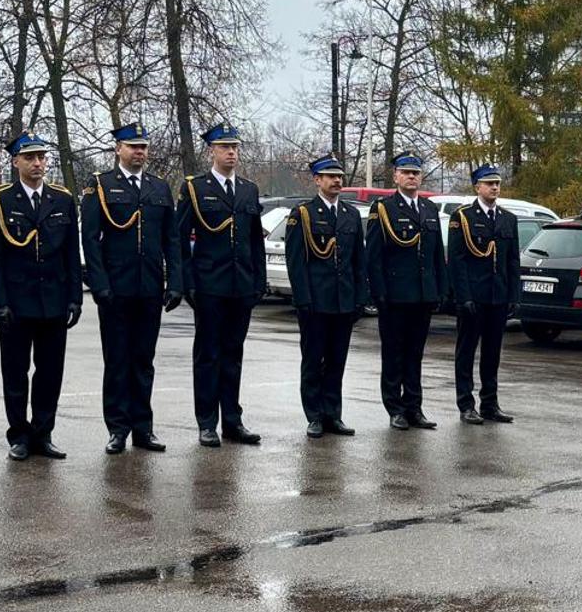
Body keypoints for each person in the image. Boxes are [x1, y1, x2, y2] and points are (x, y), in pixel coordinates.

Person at [82, 122, 182, 454]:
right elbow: (90, 241)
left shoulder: (159, 188)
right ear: (118, 150)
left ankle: (143, 427)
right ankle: (117, 428)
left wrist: (175, 281)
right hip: (116, 288)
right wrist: (99, 284)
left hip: (149, 287)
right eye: (132, 146)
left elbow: (171, 239)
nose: (139, 152)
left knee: (143, 359)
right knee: (117, 360)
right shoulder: (101, 186)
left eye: (143, 147)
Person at [0, 132, 82, 462]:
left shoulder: (62, 199)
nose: (37, 163)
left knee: (50, 372)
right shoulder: (0, 200)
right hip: (17, 301)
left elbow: (70, 253)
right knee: (15, 372)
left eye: (41, 157)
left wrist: (74, 298)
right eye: (30, 158)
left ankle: (43, 432)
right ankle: (19, 435)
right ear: (16, 162)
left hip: (53, 300)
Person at [179, 123, 267, 447]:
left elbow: (255, 240)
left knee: (233, 354)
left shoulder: (248, 190)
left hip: (240, 285)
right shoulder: (195, 189)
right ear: (211, 151)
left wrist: (259, 280)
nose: (232, 152)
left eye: (235, 147)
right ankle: (206, 422)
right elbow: (180, 240)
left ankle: (232, 420)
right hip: (209, 285)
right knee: (208, 355)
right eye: (225, 147)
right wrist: (187, 283)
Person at [286, 155, 368, 438]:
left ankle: (333, 414)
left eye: (339, 176)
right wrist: (303, 299)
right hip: (316, 301)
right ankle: (314, 415)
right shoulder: (304, 214)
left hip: (343, 300)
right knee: (313, 360)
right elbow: (296, 262)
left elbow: (358, 260)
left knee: (336, 361)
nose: (336, 181)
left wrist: (360, 297)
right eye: (330, 176)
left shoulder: (350, 215)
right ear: (317, 180)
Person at [367, 153, 446, 431]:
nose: (411, 177)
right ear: (396, 177)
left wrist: (439, 290)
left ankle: (414, 407)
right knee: (394, 354)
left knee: (415, 354)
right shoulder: (384, 209)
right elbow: (374, 256)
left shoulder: (428, 209)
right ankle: (395, 408)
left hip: (423, 294)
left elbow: (437, 254)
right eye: (406, 172)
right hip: (395, 294)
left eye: (415, 173)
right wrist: (379, 293)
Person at [451, 164, 520, 424]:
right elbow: (457, 261)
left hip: (498, 296)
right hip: (474, 296)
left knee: (492, 352)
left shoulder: (508, 219)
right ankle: (466, 405)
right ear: (477, 187)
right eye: (489, 183)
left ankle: (490, 403)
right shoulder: (464, 217)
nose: (494, 187)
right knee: (466, 351)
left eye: (497, 183)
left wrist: (513, 295)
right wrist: (463, 296)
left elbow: (512, 261)